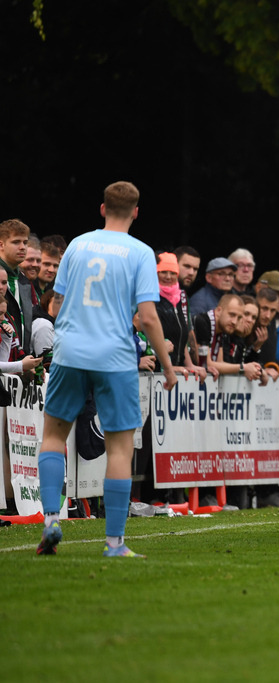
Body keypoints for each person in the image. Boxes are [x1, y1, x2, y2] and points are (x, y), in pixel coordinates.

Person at [35, 181, 177, 558]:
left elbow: (58, 301)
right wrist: (168, 365)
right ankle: (114, 543)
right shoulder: (141, 253)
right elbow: (148, 317)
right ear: (135, 212)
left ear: (102, 209)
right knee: (119, 447)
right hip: (113, 357)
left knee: (52, 436)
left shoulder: (78, 245)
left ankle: (51, 521)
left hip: (69, 352)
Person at [154, 252, 203, 378]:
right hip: (157, 371)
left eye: (173, 273)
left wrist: (190, 365)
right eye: (163, 272)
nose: (168, 277)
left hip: (178, 369)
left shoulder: (180, 297)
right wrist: (168, 367)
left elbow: (183, 334)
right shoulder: (150, 296)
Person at [0, 219, 35, 356]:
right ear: (1, 245)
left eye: (25, 242)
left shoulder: (25, 281)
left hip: (20, 360)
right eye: (16, 242)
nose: (23, 247)